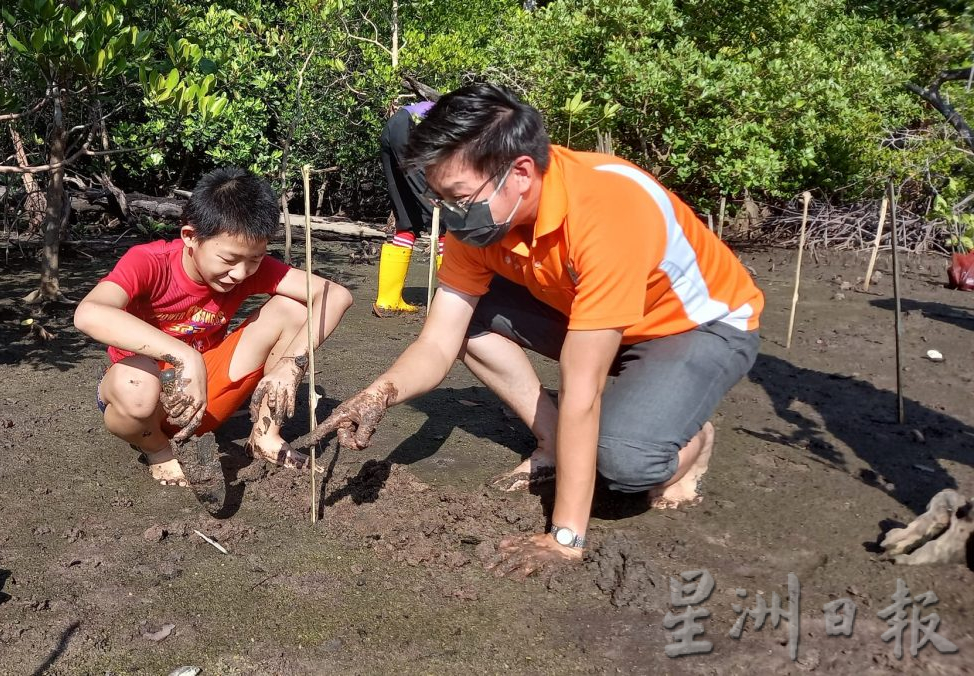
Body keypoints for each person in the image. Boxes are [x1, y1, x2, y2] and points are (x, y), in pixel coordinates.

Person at [302, 84, 764, 578]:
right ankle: (550, 442)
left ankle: (690, 439)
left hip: (692, 327)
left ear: (520, 172)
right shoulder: (477, 223)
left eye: (459, 198)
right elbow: (438, 341)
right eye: (440, 199)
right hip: (588, 311)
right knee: (472, 320)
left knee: (624, 464)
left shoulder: (607, 209)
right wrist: (377, 395)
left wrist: (565, 537)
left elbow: (582, 389)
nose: (450, 214)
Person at [74, 167, 353, 486]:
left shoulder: (248, 267)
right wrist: (185, 356)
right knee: (133, 384)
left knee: (292, 308)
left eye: (255, 259)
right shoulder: (149, 261)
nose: (241, 273)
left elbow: (336, 295)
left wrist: (292, 363)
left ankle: (265, 437)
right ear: (190, 237)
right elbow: (88, 313)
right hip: (143, 402)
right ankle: (158, 450)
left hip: (206, 395)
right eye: (229, 259)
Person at [373, 100, 445, 316]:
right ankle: (453, 304)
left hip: (393, 127)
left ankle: (388, 300)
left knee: (407, 218)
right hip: (411, 129)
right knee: (447, 219)